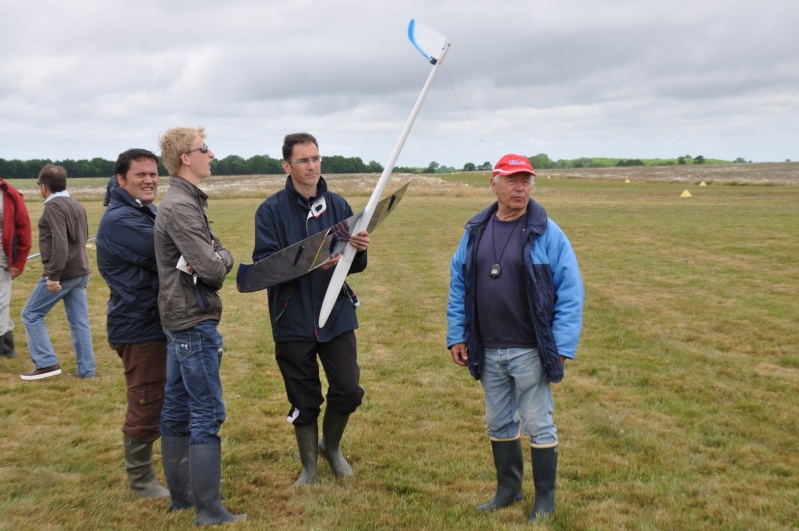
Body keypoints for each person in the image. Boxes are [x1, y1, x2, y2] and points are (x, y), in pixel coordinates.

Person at [446, 154, 584, 522]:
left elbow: (570, 291)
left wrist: (562, 346)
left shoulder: (547, 232)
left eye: (526, 180)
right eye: (512, 180)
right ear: (494, 183)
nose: (520, 187)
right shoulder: (475, 229)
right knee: (499, 422)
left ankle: (545, 500)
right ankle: (507, 492)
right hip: (487, 348)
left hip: (530, 349)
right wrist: (457, 335)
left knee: (539, 422)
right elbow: (459, 284)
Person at [252, 132, 370, 487]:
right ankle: (309, 467)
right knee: (304, 398)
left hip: (336, 312)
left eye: (316, 158)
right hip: (292, 316)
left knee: (348, 389)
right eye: (304, 160)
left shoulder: (338, 204)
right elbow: (264, 266)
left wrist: (359, 250)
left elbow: (356, 266)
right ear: (287, 166)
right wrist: (310, 263)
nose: (312, 166)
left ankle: (330, 447)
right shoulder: (270, 211)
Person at [154, 126, 245, 525]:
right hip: (193, 319)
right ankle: (208, 510)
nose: (211, 153)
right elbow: (213, 266)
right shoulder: (180, 205)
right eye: (204, 148)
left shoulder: (186, 201)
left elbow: (216, 251)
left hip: (181, 316)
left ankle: (183, 499)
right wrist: (220, 258)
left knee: (176, 405)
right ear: (185, 159)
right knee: (206, 411)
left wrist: (216, 255)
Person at [96, 148, 170, 498]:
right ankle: (141, 482)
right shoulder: (120, 220)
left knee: (164, 396)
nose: (149, 180)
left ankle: (161, 470)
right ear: (121, 180)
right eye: (140, 174)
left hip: (156, 321)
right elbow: (168, 253)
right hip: (139, 327)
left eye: (153, 173)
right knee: (146, 400)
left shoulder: (144, 211)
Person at [20, 164, 96, 380]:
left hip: (63, 273)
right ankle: (86, 371)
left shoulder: (53, 206)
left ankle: (46, 363)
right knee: (79, 322)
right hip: (81, 270)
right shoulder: (76, 204)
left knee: (31, 314)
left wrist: (53, 276)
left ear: (44, 186)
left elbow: (61, 244)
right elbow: (84, 237)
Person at [0, 177, 32, 359]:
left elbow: (23, 229)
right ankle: (7, 347)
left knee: (0, 303)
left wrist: (18, 263)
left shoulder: (9, 194)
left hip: (2, 260)